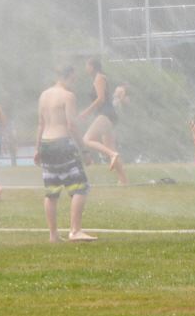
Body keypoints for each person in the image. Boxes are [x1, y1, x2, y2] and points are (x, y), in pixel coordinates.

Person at [36, 65, 95, 242]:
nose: (74, 82)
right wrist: (84, 149)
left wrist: (37, 148)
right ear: (68, 76)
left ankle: (53, 235)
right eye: (74, 79)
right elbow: (71, 125)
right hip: (62, 143)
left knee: (51, 192)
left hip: (46, 144)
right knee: (80, 186)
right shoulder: (68, 96)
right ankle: (75, 230)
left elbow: (40, 124)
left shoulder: (44, 95)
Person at [78, 57, 128, 185]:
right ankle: (123, 181)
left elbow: (100, 99)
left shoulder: (99, 78)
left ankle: (111, 155)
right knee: (110, 147)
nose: (85, 68)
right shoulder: (99, 77)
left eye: (87, 65)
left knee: (87, 140)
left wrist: (86, 112)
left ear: (92, 66)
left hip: (105, 114)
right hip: (108, 114)